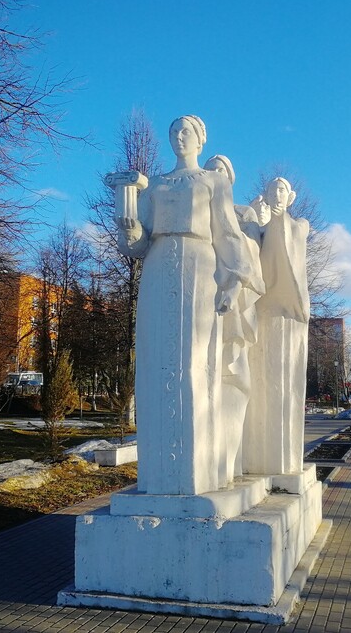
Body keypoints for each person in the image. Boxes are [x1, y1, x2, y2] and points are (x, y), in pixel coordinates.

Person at [116, 116, 256, 495]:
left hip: (199, 265)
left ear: (201, 139)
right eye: (174, 132)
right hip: (159, 265)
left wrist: (235, 282)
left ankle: (200, 470)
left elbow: (228, 234)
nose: (180, 138)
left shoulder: (213, 181)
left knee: (197, 361)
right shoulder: (157, 184)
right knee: (156, 358)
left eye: (187, 132)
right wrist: (127, 223)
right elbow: (136, 245)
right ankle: (159, 473)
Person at [243, 177, 310, 476]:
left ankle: (281, 460)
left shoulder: (300, 226)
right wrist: (254, 228)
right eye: (272, 191)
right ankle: (256, 457)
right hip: (261, 314)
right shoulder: (261, 228)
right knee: (260, 387)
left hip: (287, 315)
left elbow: (288, 249)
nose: (276, 194)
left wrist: (271, 222)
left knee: (284, 385)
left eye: (281, 190)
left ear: (291, 196)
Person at [203, 154, 264, 481]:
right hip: (203, 293)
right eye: (210, 169)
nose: (213, 174)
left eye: (220, 170)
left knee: (235, 371)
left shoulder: (243, 212)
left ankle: (231, 456)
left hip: (234, 298)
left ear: (230, 176)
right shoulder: (197, 202)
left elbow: (251, 253)